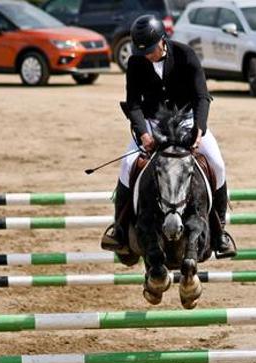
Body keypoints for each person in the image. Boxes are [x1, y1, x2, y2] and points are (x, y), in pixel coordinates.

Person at [101, 14, 236, 259]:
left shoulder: (186, 55)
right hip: (152, 126)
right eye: (144, 51)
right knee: (127, 165)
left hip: (186, 122)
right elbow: (133, 104)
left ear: (163, 40)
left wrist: (199, 129)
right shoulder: (135, 63)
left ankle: (220, 232)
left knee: (217, 163)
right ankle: (119, 229)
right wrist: (143, 133)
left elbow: (201, 97)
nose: (148, 55)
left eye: (151, 50)